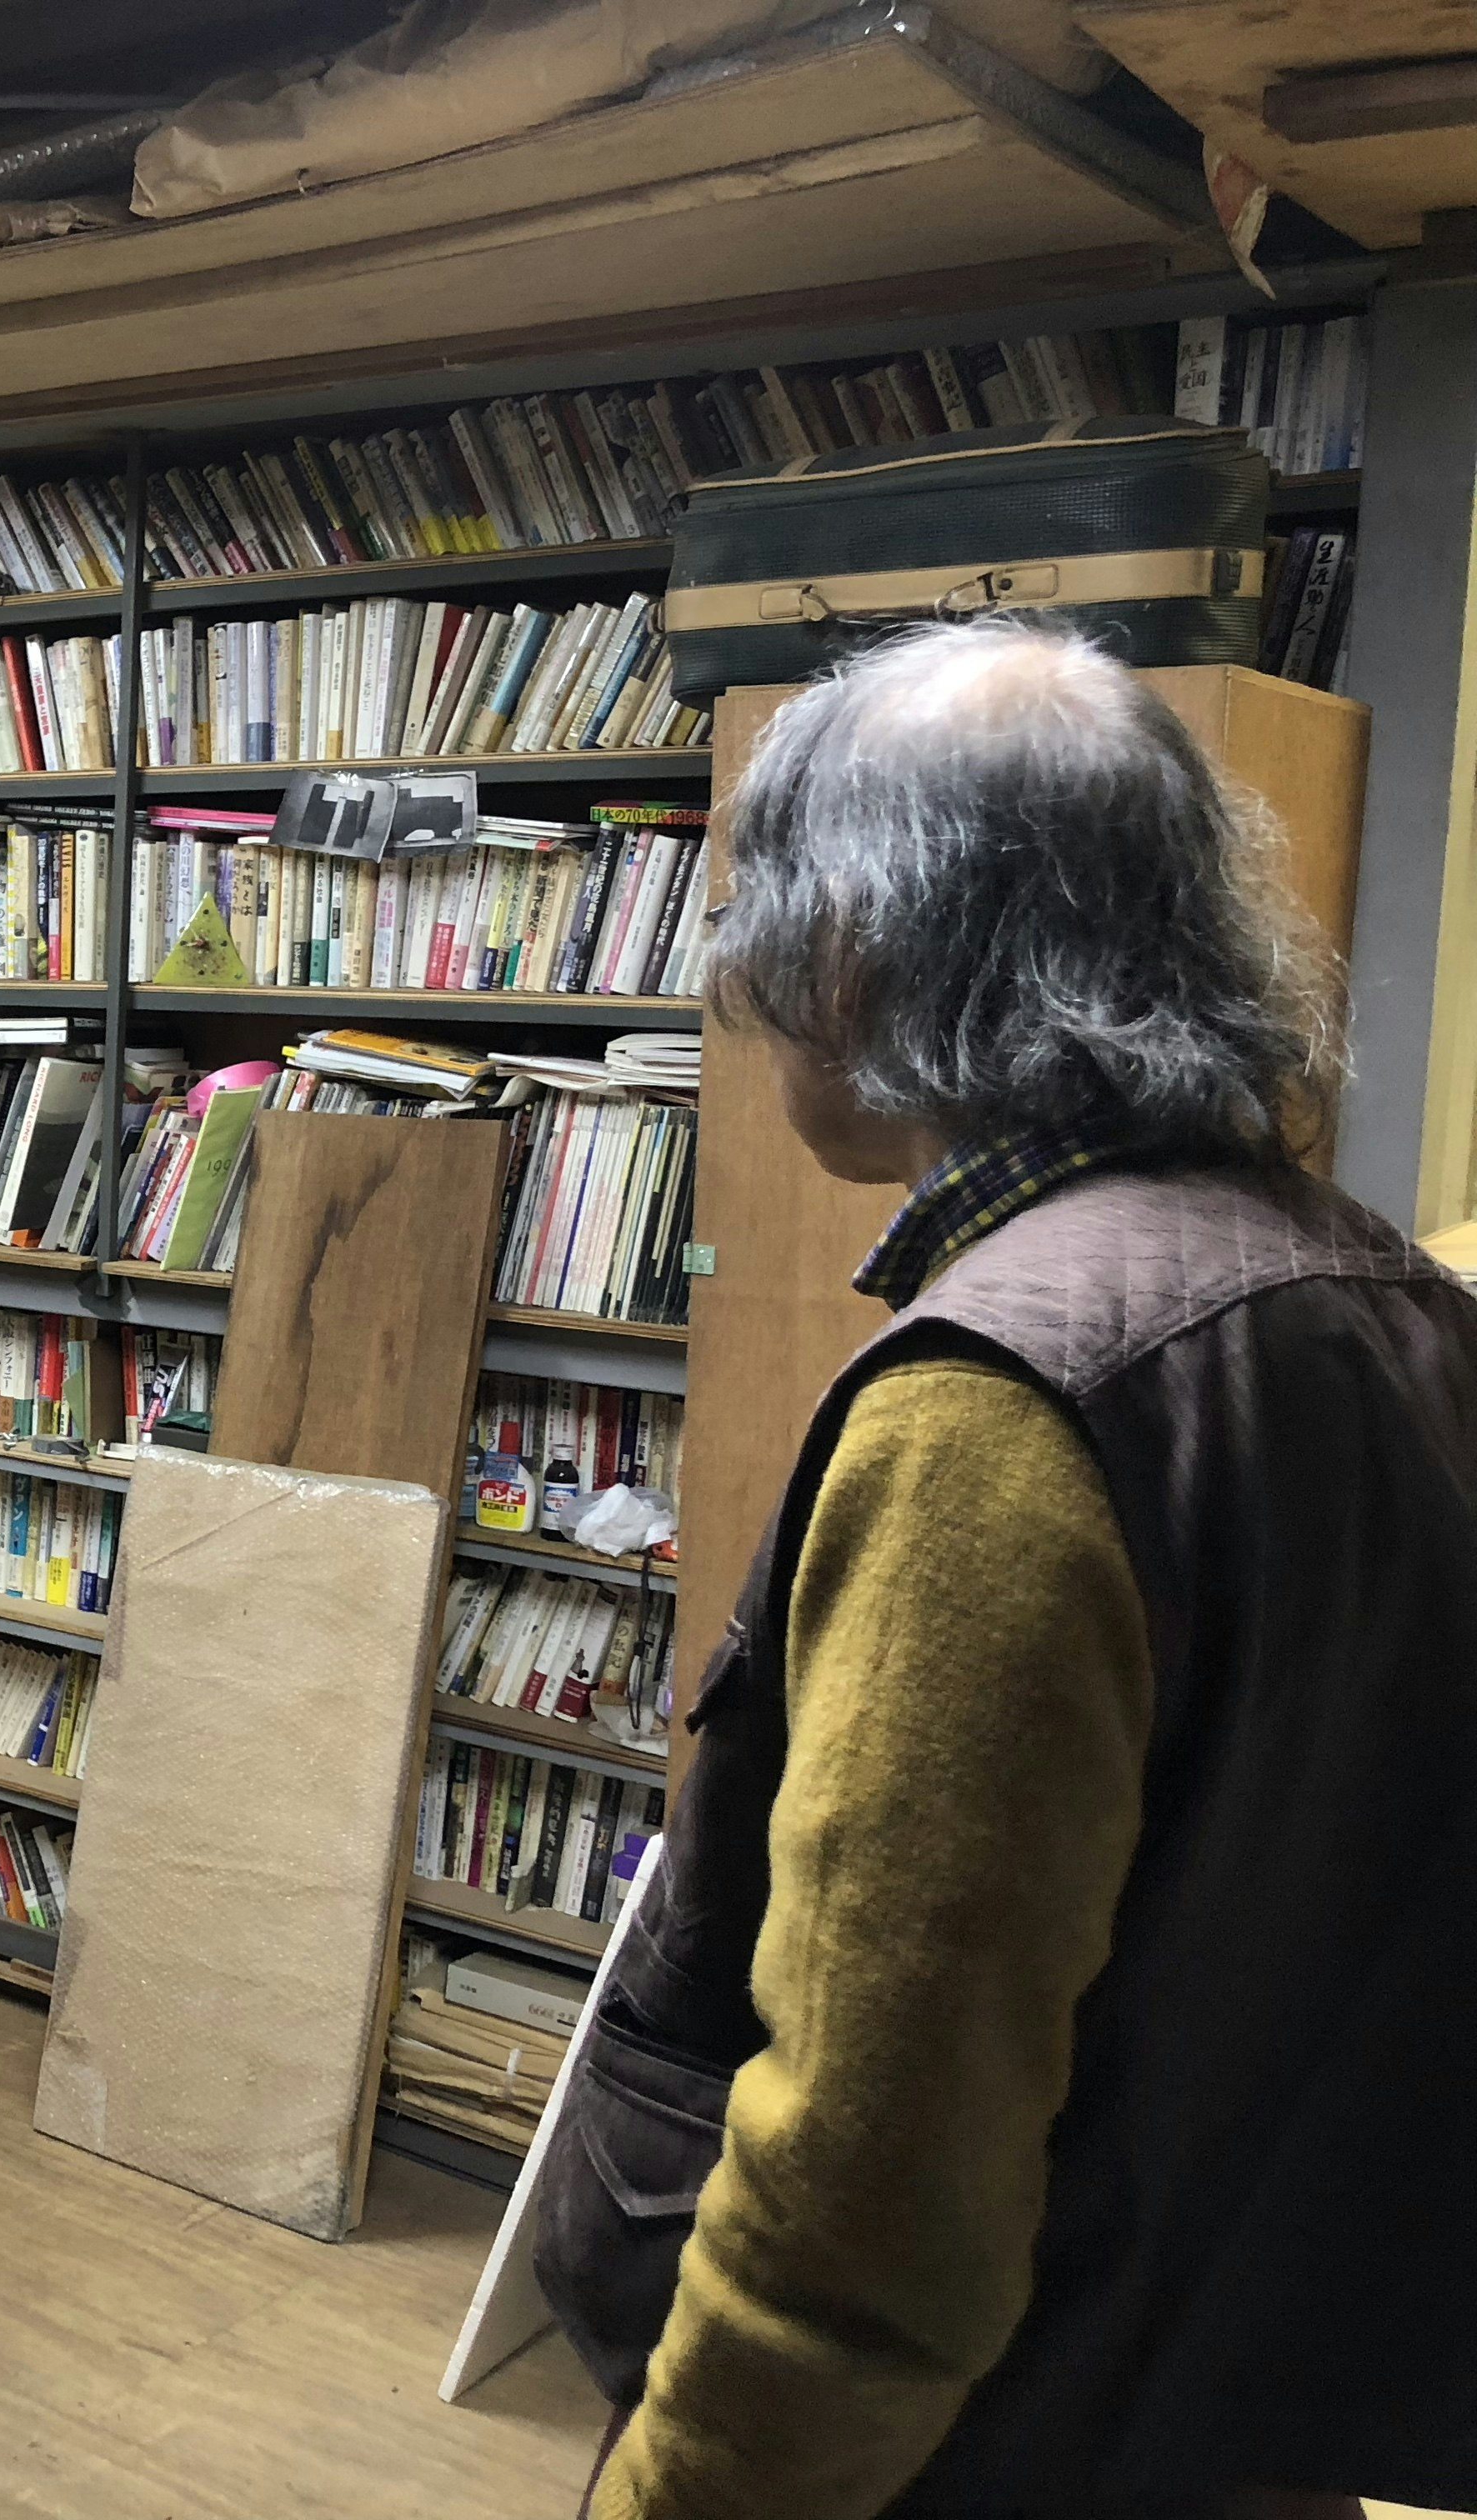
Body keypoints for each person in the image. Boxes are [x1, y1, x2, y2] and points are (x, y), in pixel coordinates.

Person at [532, 617, 1477, 2520]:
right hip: (1241, 2418)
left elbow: (870, 2196)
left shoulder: (1006, 1398)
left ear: (860, 946)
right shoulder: (1388, 1302)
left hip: (987, 2456)